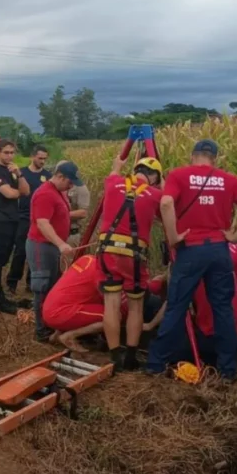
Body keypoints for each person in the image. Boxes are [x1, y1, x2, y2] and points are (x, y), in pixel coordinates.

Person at [147, 139, 237, 381]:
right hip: (219, 250)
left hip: (190, 249)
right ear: (215, 159)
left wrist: (173, 237)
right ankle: (227, 370)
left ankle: (156, 364)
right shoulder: (228, 179)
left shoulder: (179, 175)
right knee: (223, 309)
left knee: (176, 307)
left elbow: (166, 203)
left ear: (193, 156)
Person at [96, 152, 165, 372]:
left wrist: (118, 164)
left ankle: (115, 355)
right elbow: (167, 209)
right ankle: (131, 357)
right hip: (134, 257)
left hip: (106, 252)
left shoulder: (113, 183)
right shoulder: (156, 194)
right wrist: (161, 185)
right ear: (154, 177)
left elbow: (114, 171)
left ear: (135, 171)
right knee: (136, 307)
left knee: (111, 305)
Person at [42, 254, 166, 352]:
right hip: (60, 313)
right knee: (114, 317)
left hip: (50, 307)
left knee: (83, 297)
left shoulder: (88, 259)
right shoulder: (102, 274)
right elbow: (116, 303)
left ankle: (59, 332)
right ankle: (70, 335)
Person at [26, 160, 82, 341]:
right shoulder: (45, 194)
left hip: (51, 246)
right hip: (41, 246)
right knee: (42, 286)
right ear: (59, 176)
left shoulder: (59, 192)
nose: (71, 186)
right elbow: (43, 223)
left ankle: (51, 323)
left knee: (53, 286)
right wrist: (60, 244)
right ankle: (41, 330)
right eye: (69, 182)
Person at [0, 140, 30, 314]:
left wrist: (19, 174)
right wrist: (20, 192)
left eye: (12, 153)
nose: (10, 156)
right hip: (0, 219)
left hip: (12, 218)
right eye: (6, 152)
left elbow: (27, 191)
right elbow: (9, 194)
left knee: (4, 258)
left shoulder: (11, 170)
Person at [7, 145, 51, 296]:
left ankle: (31, 283)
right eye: (40, 158)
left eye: (45, 159)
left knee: (36, 252)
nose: (42, 161)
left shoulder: (48, 176)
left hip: (40, 219)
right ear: (32, 157)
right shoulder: (21, 173)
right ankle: (12, 282)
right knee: (20, 251)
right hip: (24, 217)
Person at [55, 159, 91, 247]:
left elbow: (83, 212)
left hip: (70, 234)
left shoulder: (80, 188)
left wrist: (60, 215)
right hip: (53, 234)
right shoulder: (51, 188)